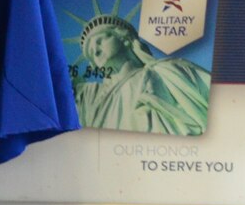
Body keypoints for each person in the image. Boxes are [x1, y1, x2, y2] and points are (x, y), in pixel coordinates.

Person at [73, 14, 213, 135]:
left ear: (124, 38)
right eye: (91, 53)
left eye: (100, 41)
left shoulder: (168, 71)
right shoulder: (94, 101)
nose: (96, 51)